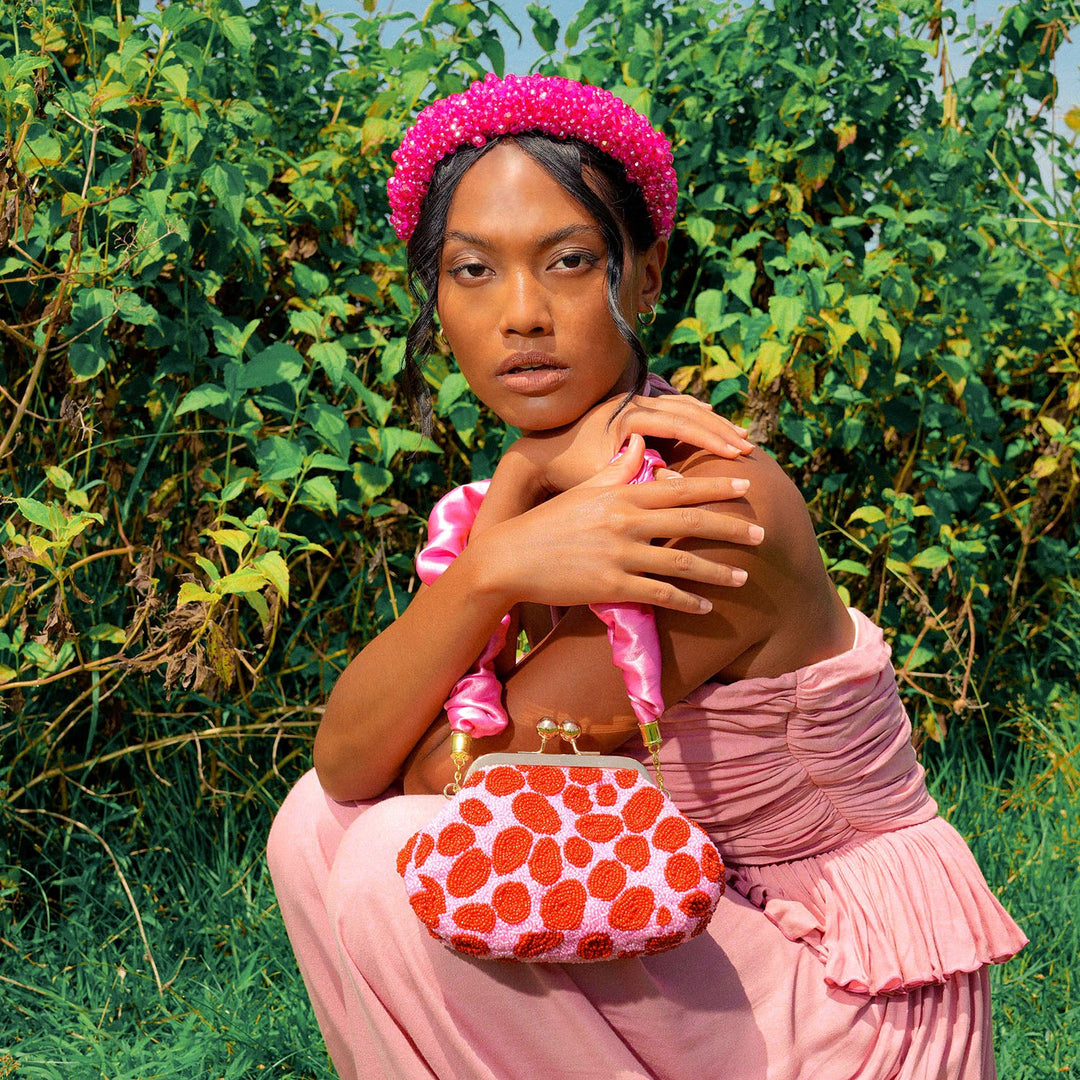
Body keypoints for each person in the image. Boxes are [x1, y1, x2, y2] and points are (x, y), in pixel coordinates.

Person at [267, 73, 1026, 1080]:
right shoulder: (539, 490)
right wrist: (507, 526)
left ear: (647, 275)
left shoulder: (709, 509)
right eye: (474, 271)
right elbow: (344, 765)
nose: (522, 315)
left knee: (398, 862)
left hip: (845, 1007)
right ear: (435, 297)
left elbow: (449, 780)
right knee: (313, 827)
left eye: (570, 263)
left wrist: (502, 545)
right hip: (700, 945)